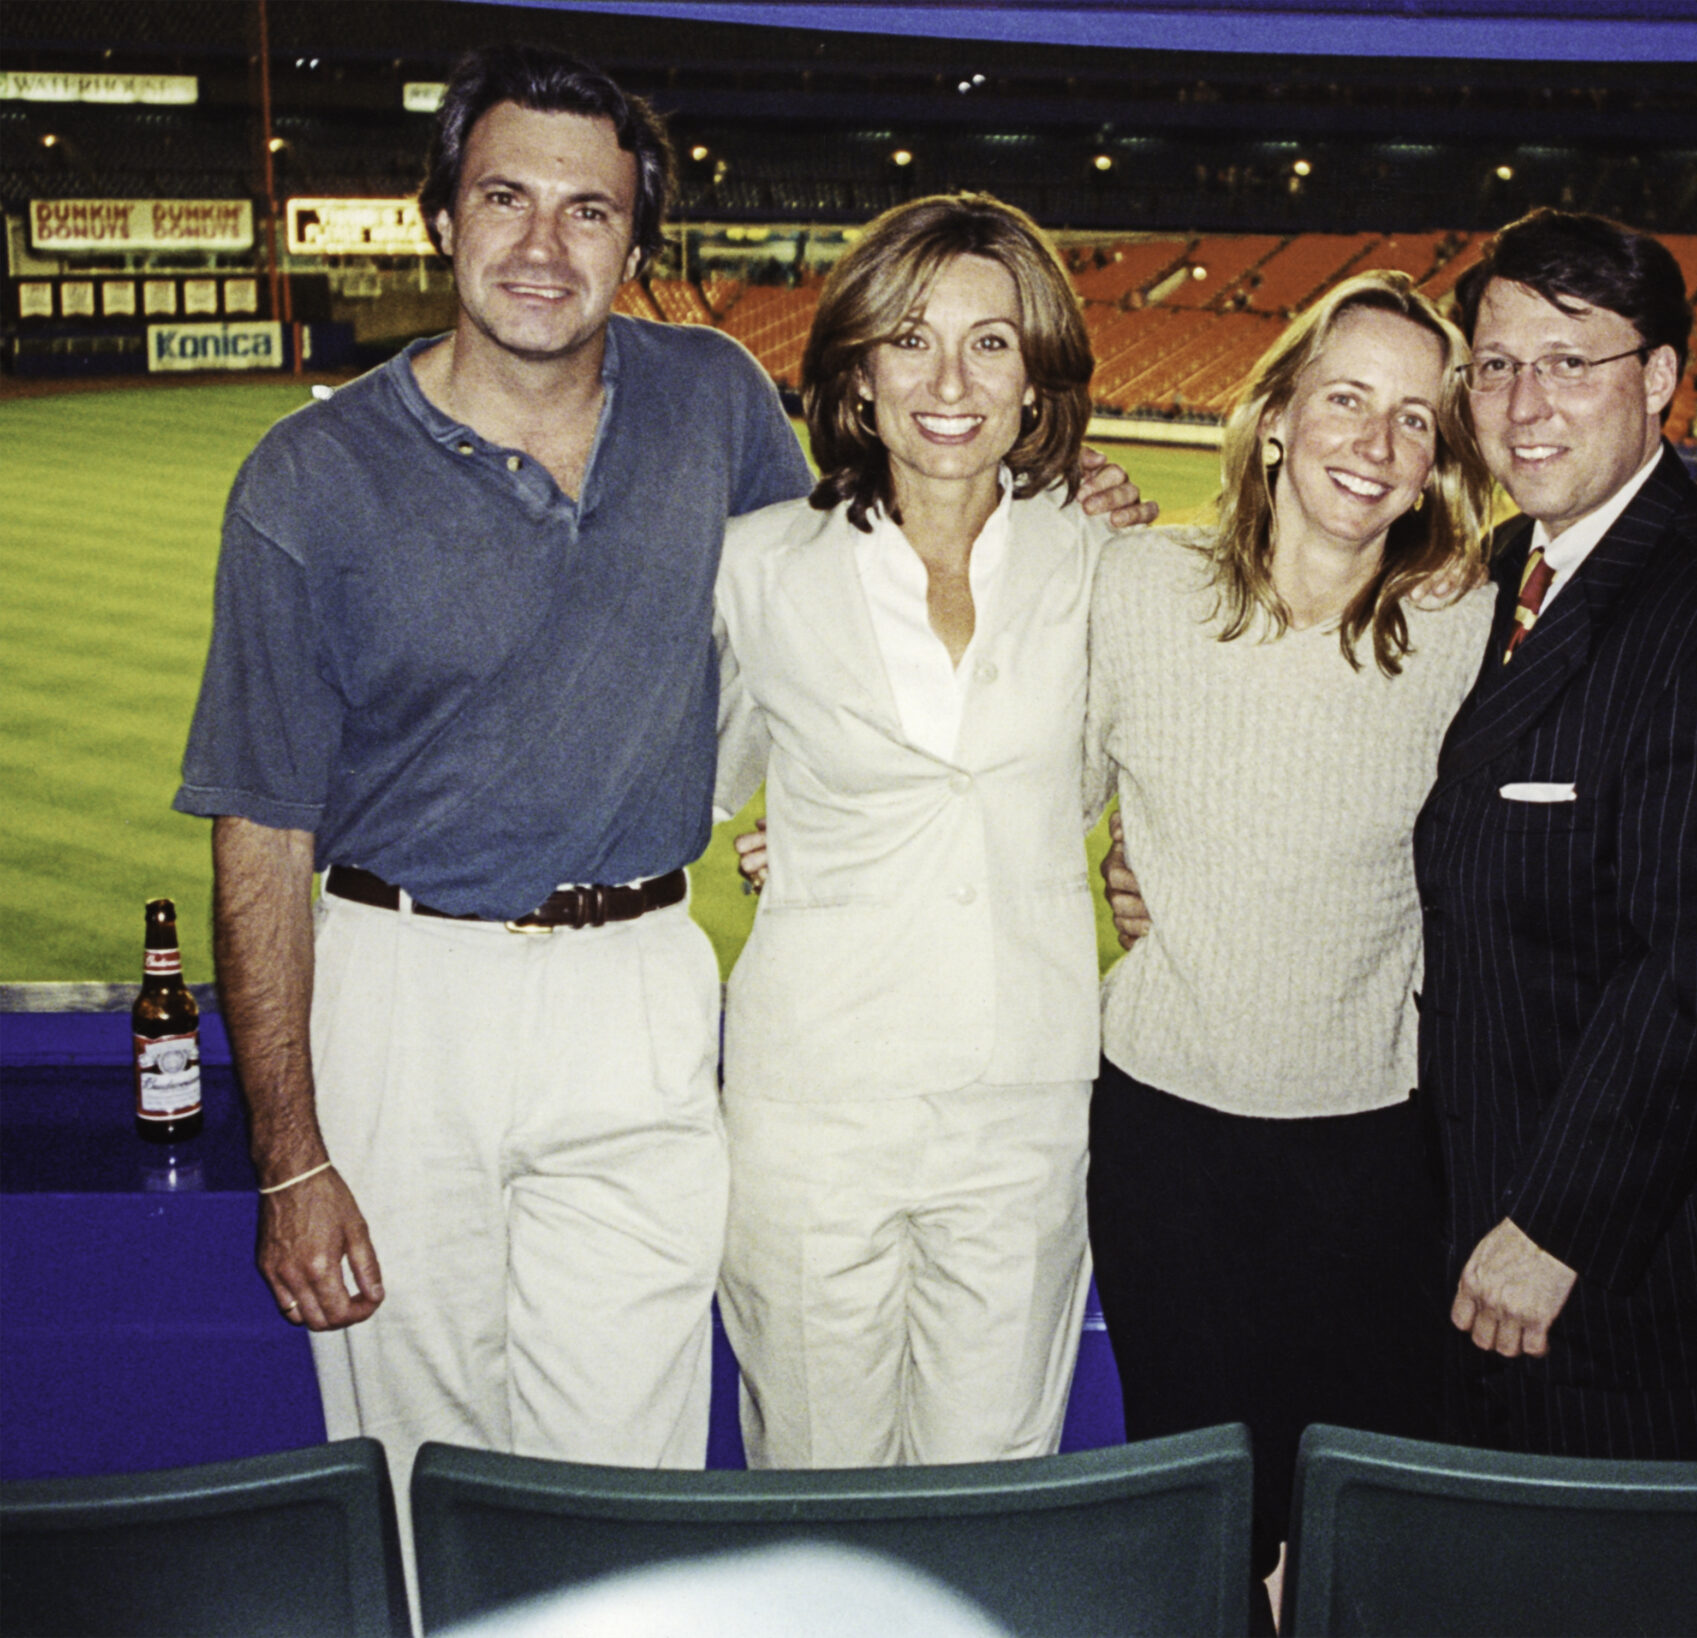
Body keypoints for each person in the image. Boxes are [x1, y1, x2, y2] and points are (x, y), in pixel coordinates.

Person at [175, 48, 1148, 1552]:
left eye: (589, 212)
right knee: (423, 1459)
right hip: (403, 982)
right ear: (442, 215)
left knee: (632, 1477)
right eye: (505, 198)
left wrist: (1070, 499)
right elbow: (260, 823)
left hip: (639, 984)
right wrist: (289, 1150)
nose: (543, 246)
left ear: (636, 244)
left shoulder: (711, 404)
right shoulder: (307, 478)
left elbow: (846, 581)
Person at [1084, 270, 1494, 1618]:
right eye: (1346, 400)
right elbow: (1006, 798)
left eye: (1416, 420)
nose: (1375, 445)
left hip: (1375, 1150)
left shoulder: (1468, 632)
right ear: (1273, 418)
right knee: (1208, 1518)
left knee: (1350, 1527)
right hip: (1169, 1145)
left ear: (1440, 463)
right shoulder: (1135, 586)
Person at [1419, 208, 1697, 1460]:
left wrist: (1555, 1229)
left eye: (1569, 359)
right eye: (1495, 365)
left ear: (1657, 378)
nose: (1523, 401)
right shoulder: (1503, 573)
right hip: (1500, 1278)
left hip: (1650, 1303)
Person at [713, 193, 1126, 1470]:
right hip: (811, 1109)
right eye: (908, 340)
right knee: (817, 1485)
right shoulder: (753, 566)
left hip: (1022, 1106)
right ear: (856, 372)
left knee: (992, 1488)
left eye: (989, 343)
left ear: (1033, 375)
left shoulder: (1105, 558)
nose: (948, 380)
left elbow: (1173, 773)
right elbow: (673, 791)